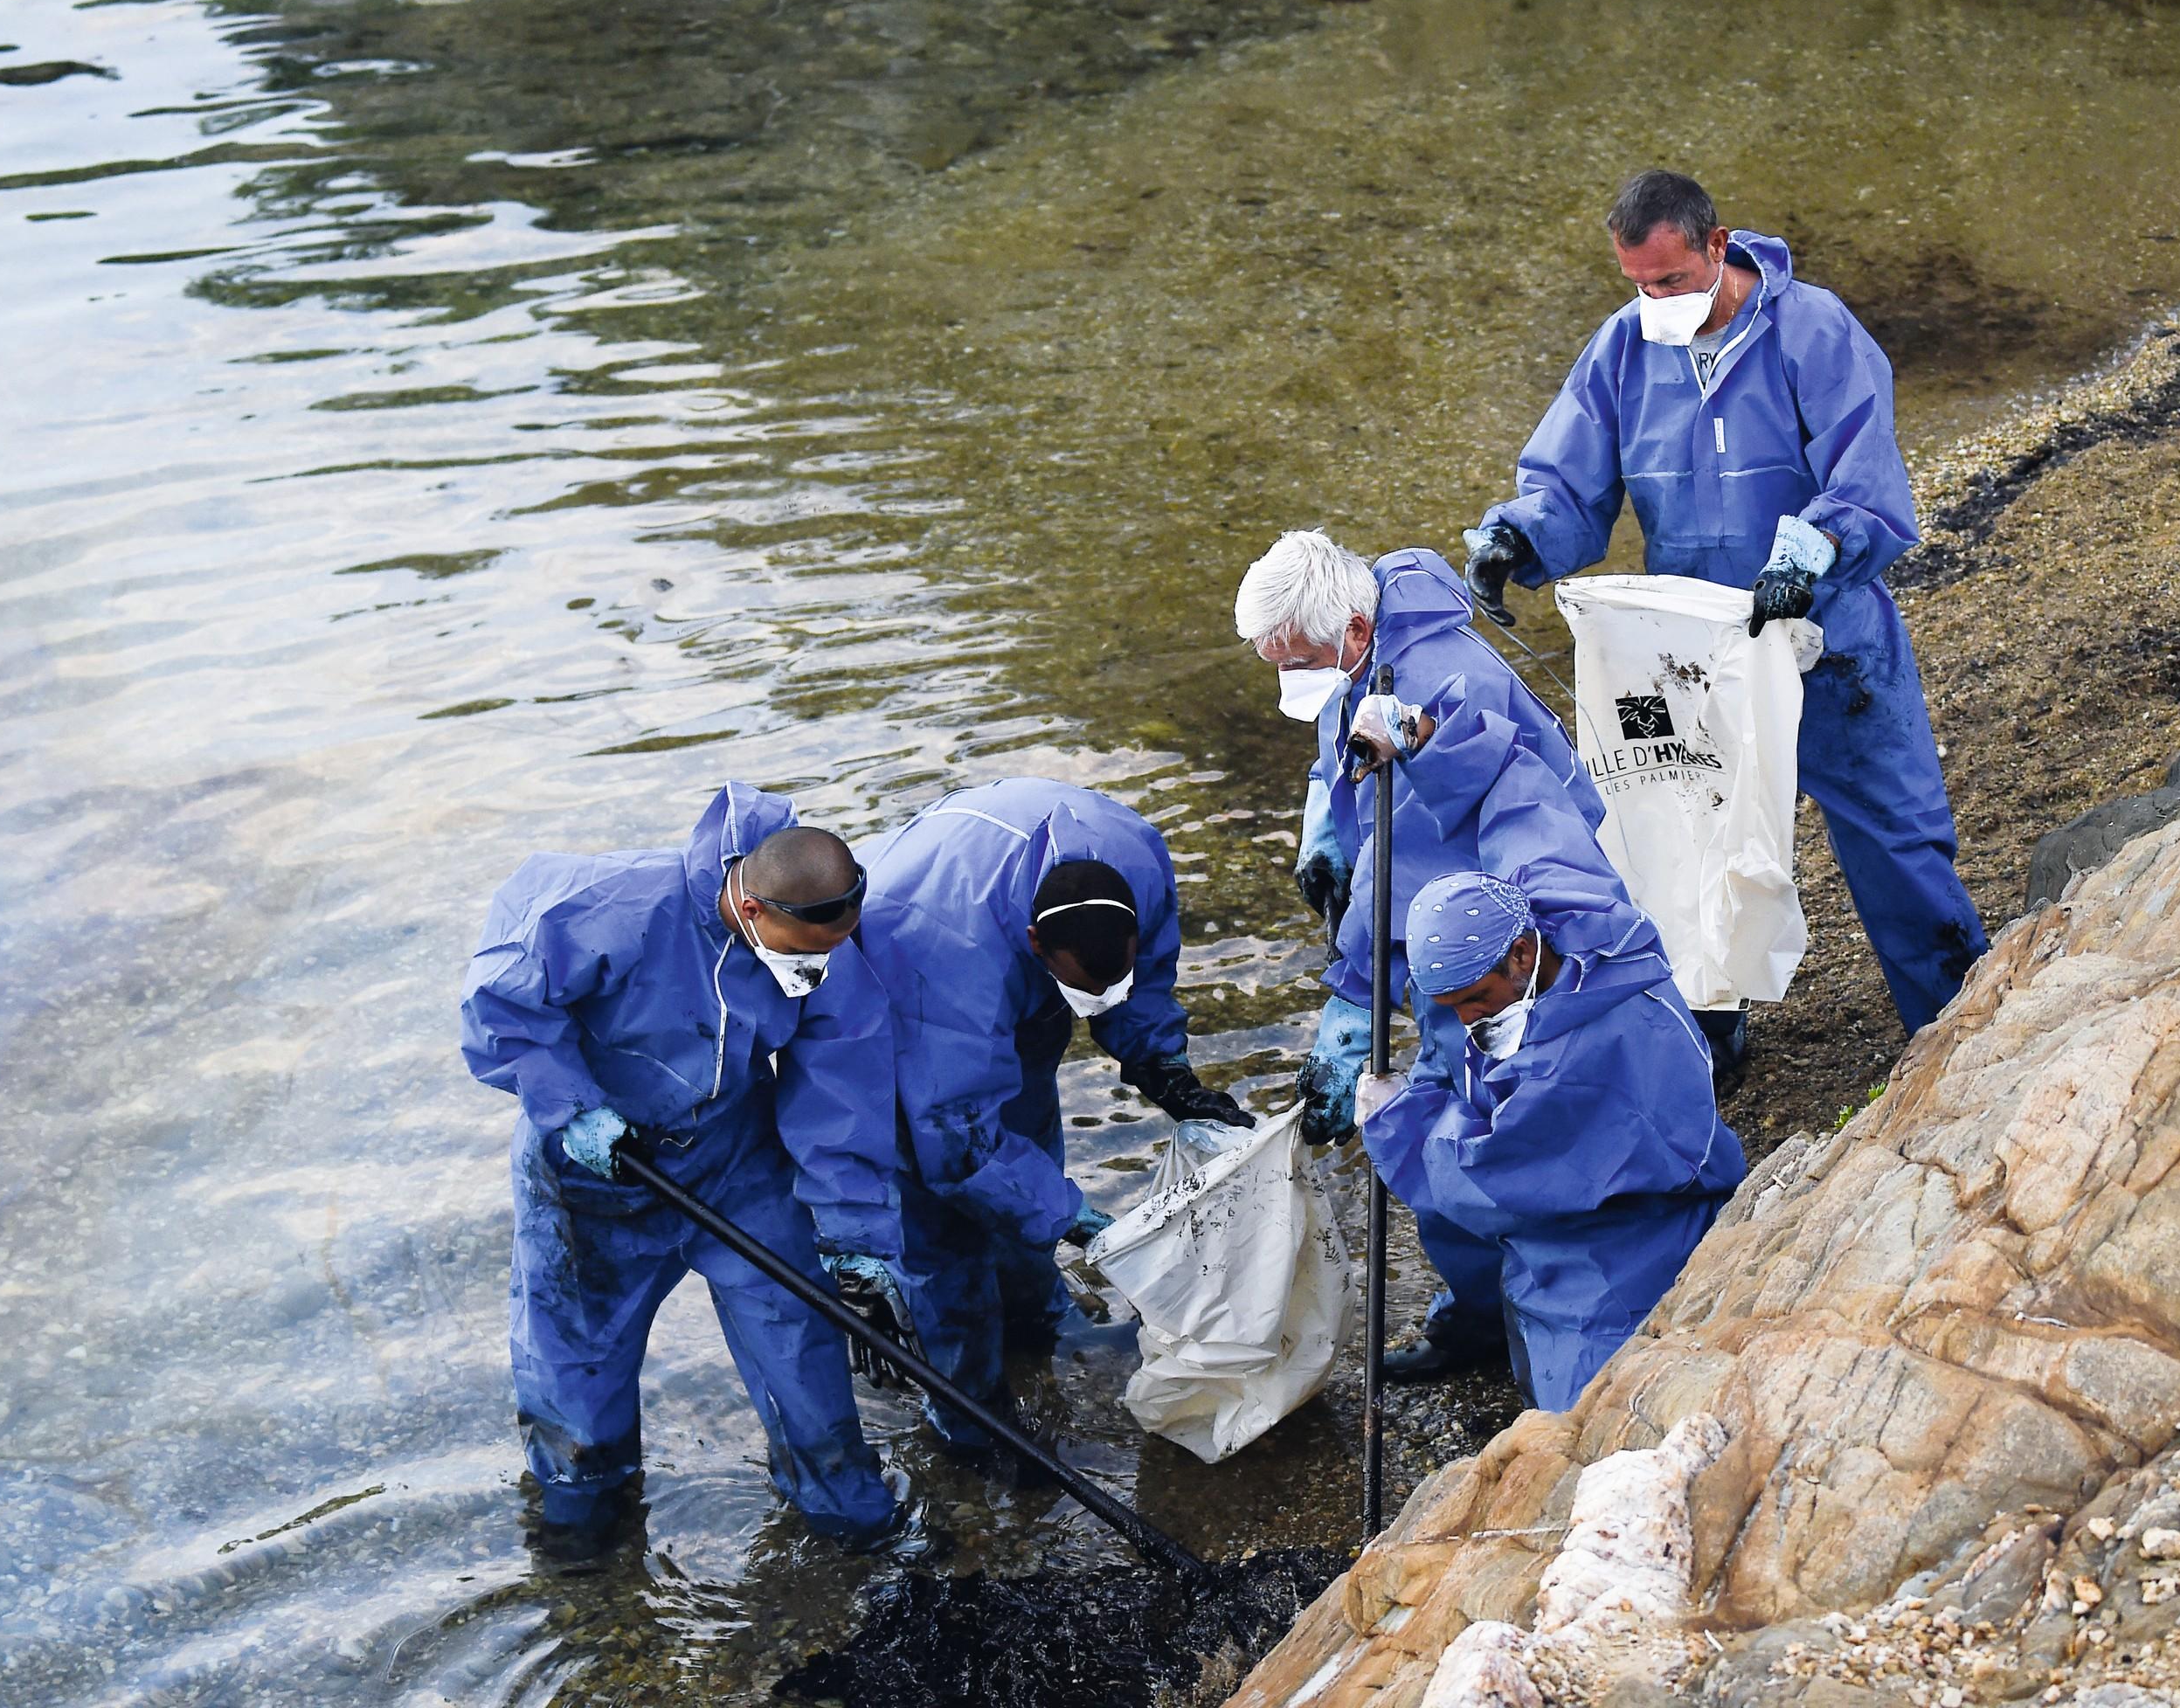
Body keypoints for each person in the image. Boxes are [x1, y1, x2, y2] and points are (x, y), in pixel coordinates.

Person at [1464, 168, 1988, 1045]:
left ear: (1718, 245)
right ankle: (1707, 1037)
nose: (1653, 300)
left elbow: (1867, 480)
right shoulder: (1625, 348)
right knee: (1682, 851)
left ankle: (1958, 1017)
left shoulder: (1813, 331)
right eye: (1637, 284)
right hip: (1681, 651)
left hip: (1827, 640)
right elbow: (1568, 479)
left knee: (1898, 841)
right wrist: (1516, 538)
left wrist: (1808, 554)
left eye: (1668, 281)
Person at [460, 783, 905, 1554]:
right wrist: (573, 1108)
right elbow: (501, 1011)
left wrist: (854, 1236)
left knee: (799, 1342)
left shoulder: (831, 953)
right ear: (756, 911)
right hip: (591, 1171)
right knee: (577, 1362)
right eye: (807, 956)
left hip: (735, 1160)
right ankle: (584, 1526)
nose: (821, 971)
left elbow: (840, 1096)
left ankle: (849, 1517)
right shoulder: (608, 905)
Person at [829, 778, 1256, 1455]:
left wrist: (1161, 1066)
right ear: (1035, 944)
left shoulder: (1136, 861)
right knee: (946, 1219)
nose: (1104, 999)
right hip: (912, 993)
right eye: (1086, 990)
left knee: (1025, 1137)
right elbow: (958, 1142)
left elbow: (1141, 981)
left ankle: (1036, 1322)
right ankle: (969, 1420)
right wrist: (1072, 1219)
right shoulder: (941, 956)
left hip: (1004, 963)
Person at [1232, 527, 1604, 1126]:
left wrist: (1356, 1003)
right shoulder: (1367, 645)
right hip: (1439, 871)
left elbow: (1407, 863)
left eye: (1297, 663)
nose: (1290, 678)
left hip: (1501, 891)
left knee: (1488, 1067)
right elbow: (1342, 732)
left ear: (1354, 628)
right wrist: (1324, 812)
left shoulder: (1432, 682)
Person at [1361, 870, 1746, 1412]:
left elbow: (1485, 1176)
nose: (1467, 1020)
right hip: (1628, 1209)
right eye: (1450, 1007)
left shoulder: (1569, 1065)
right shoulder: (1593, 949)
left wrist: (1396, 1122)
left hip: (1621, 1248)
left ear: (1521, 954)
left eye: (1475, 999)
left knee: (1596, 1414)